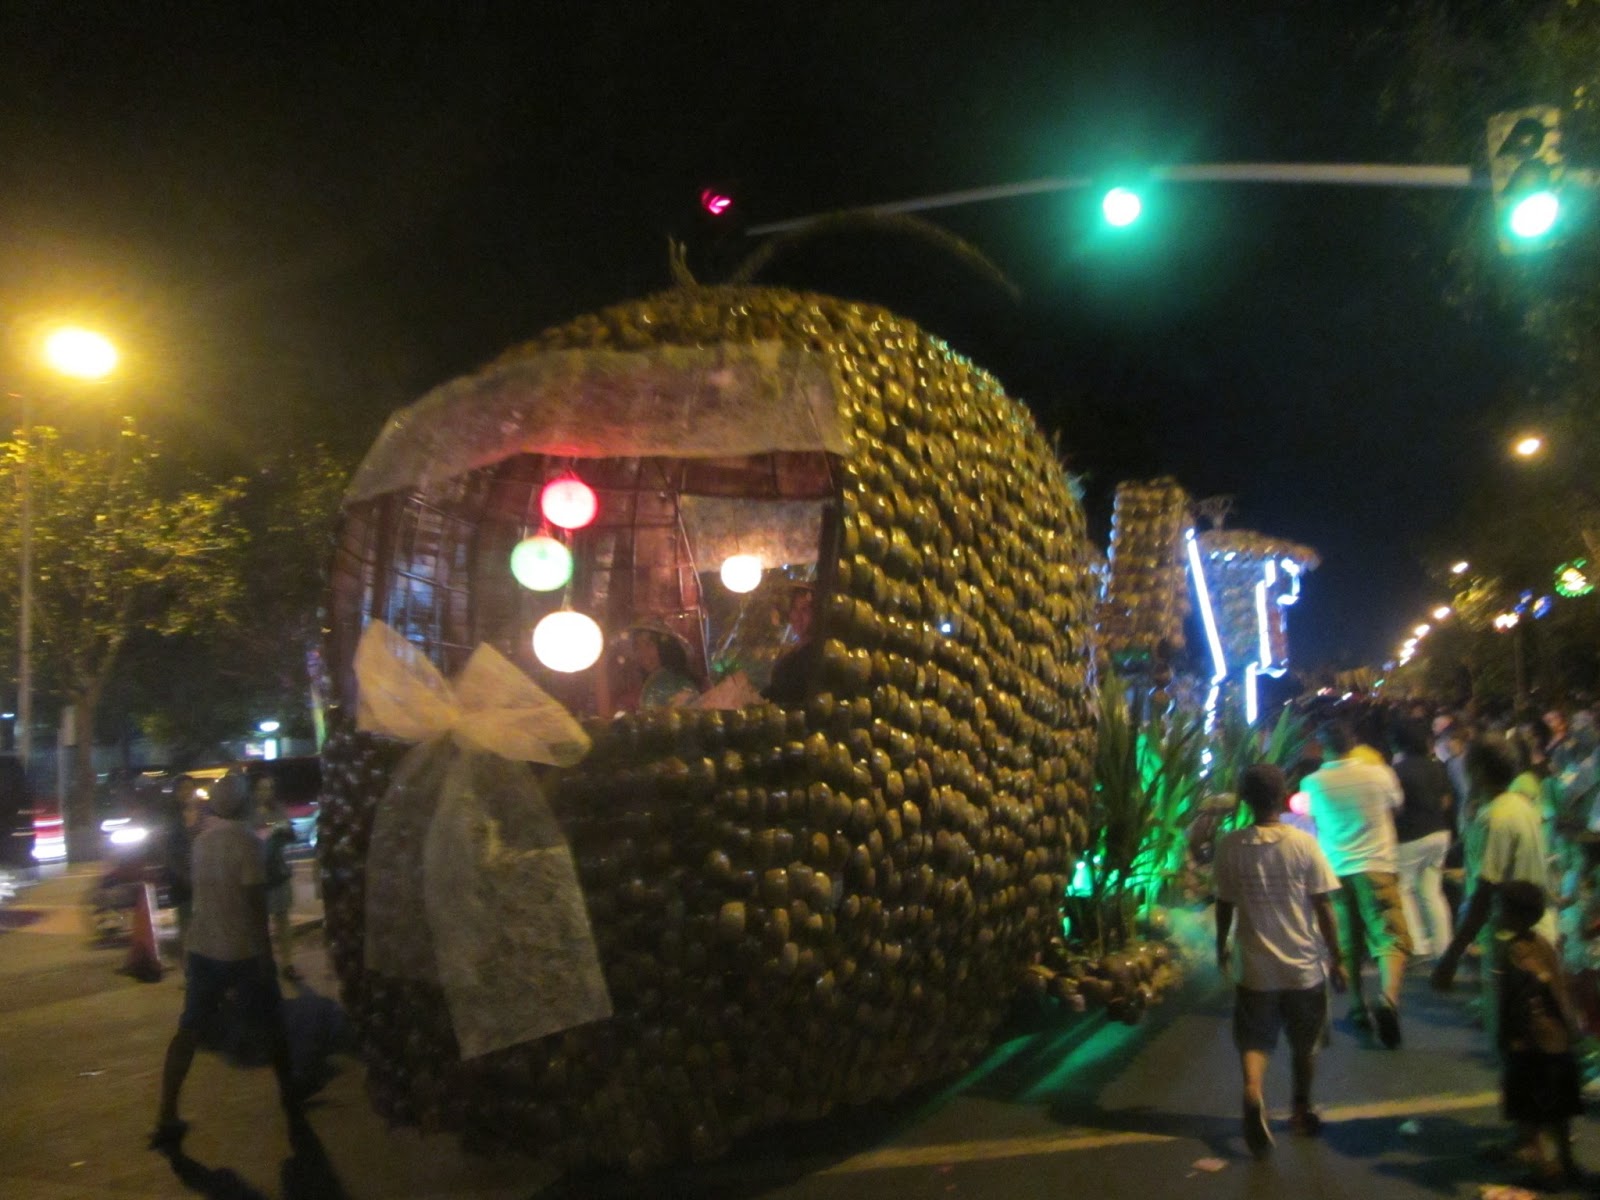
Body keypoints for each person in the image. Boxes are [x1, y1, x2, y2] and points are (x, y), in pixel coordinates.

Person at [150, 772, 304, 1151]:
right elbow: (254, 908)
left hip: (204, 948)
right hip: (242, 951)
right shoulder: (248, 844)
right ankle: (291, 1099)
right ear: (245, 805)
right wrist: (265, 957)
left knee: (188, 1031)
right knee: (273, 1025)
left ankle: (167, 1113)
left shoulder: (202, 842)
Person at [1214, 763, 1347, 1159]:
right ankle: (1301, 1109)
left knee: (1255, 1039)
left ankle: (1254, 1091)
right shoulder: (1303, 844)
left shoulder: (1230, 845)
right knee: (1305, 1044)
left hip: (1255, 965)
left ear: (1245, 799)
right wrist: (1337, 959)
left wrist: (1221, 944)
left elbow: (1224, 904)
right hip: (1302, 964)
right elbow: (1324, 908)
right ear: (1283, 794)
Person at [1432, 736, 1557, 1045]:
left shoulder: (1495, 816)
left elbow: (1486, 890)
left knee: (1511, 1038)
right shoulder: (1521, 806)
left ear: (1478, 771)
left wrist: (1452, 955)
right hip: (1537, 931)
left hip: (1510, 944)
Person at [1303, 720, 1411, 1047]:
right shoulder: (1379, 773)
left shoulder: (1312, 783)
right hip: (1378, 864)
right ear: (1352, 743)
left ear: (1322, 748)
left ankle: (1357, 1006)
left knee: (1348, 941)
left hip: (1336, 869)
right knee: (1390, 935)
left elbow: (1312, 818)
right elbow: (1397, 806)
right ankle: (1388, 998)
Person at [1493, 879, 1583, 1187]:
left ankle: (1544, 1170)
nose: (1496, 915)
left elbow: (1521, 1000)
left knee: (1528, 1114)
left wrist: (1509, 1038)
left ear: (1514, 915)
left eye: (1500, 909)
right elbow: (1558, 989)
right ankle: (1567, 1164)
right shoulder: (1544, 943)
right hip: (1558, 1043)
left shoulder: (1516, 951)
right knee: (1559, 1112)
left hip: (1531, 1046)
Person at [1390, 718, 1454, 961]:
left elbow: (1394, 806)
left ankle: (1418, 945)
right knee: (1432, 891)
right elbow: (1447, 800)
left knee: (1404, 888)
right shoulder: (1435, 766)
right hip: (1440, 832)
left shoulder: (1398, 771)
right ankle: (1443, 946)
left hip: (1410, 836)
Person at [258, 789, 299, 982]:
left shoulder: (278, 809)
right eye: (260, 788)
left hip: (279, 872)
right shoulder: (250, 813)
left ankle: (287, 964)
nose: (264, 792)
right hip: (259, 874)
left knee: (283, 920)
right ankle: (266, 965)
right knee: (261, 924)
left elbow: (292, 837)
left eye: (268, 787)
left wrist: (285, 830)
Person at [763, 583, 821, 707]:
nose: (796, 617)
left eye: (805, 610)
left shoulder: (815, 656)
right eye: (794, 608)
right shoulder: (792, 651)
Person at [630, 625, 700, 710]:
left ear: (665, 647)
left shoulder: (674, 681)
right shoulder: (644, 684)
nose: (642, 653)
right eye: (637, 647)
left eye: (649, 645)